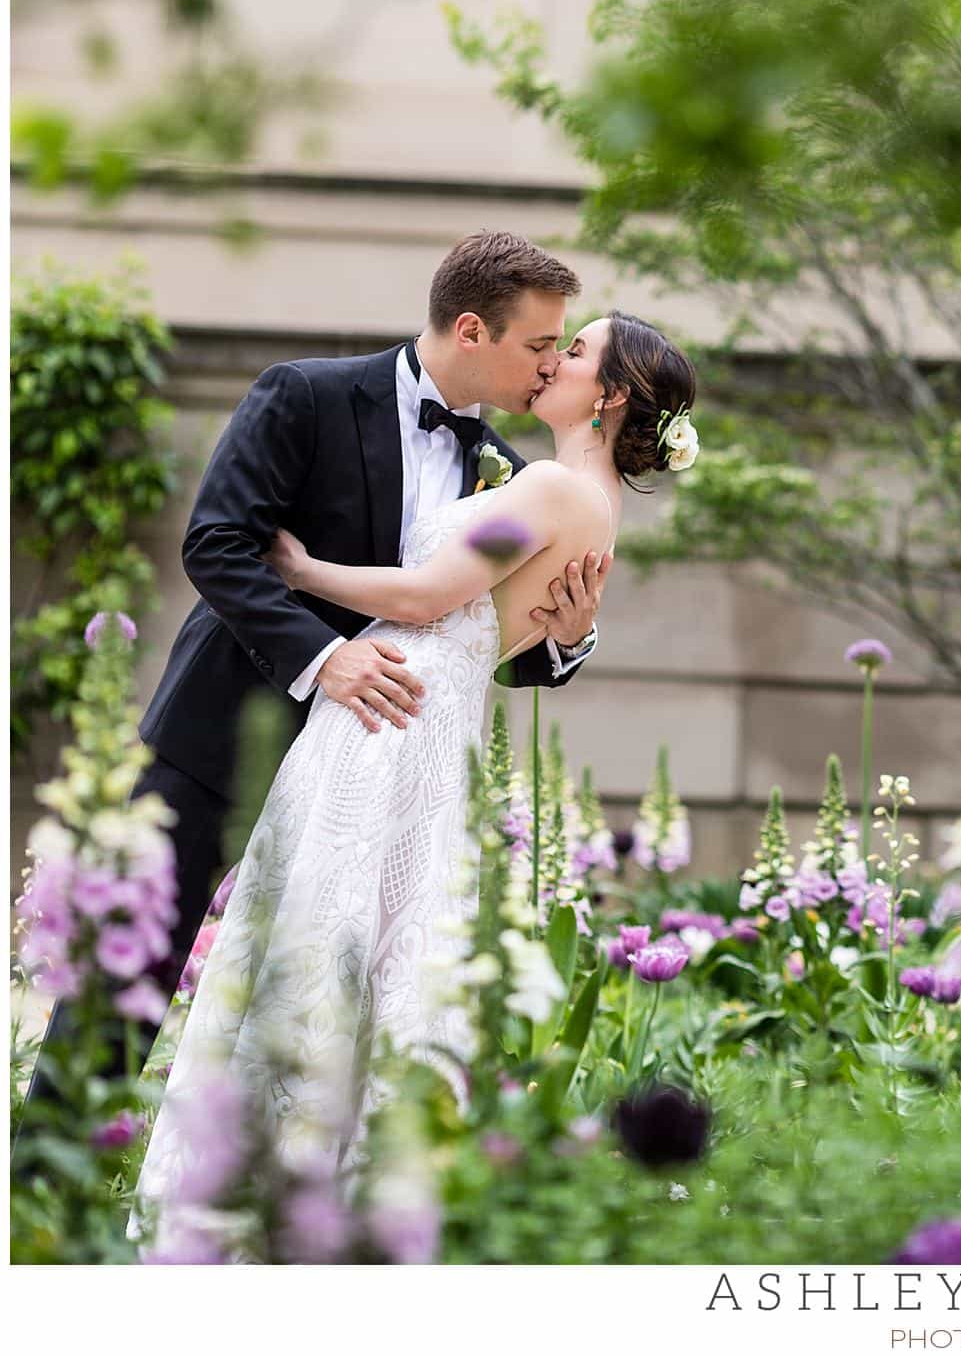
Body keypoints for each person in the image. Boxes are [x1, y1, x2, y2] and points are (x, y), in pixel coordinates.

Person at [132, 309, 697, 1240]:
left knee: (321, 934)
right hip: (416, 720)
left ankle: (260, 1192)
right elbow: (517, 620)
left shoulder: (553, 486)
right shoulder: (578, 494)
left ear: (613, 394)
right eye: (550, 341)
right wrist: (566, 632)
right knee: (367, 944)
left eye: (576, 350)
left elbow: (435, 596)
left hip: (388, 718)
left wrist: (304, 567)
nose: (554, 359)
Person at [25, 231, 608, 1111]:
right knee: (125, 983)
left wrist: (569, 638)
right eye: (536, 346)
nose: (545, 367)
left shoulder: (510, 479)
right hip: (219, 737)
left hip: (369, 775)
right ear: (471, 329)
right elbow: (216, 545)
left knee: (308, 1006)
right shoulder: (306, 395)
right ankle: (50, 1205)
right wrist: (324, 658)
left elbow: (470, 641)